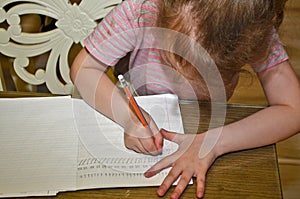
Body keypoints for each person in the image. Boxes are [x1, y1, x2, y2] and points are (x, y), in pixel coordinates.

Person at [70, 0, 300, 198]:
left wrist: (215, 142)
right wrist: (128, 117)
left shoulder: (254, 29)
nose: (183, 76)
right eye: (173, 60)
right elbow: (84, 68)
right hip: (142, 101)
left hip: (205, 120)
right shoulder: (142, 8)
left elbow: (294, 110)